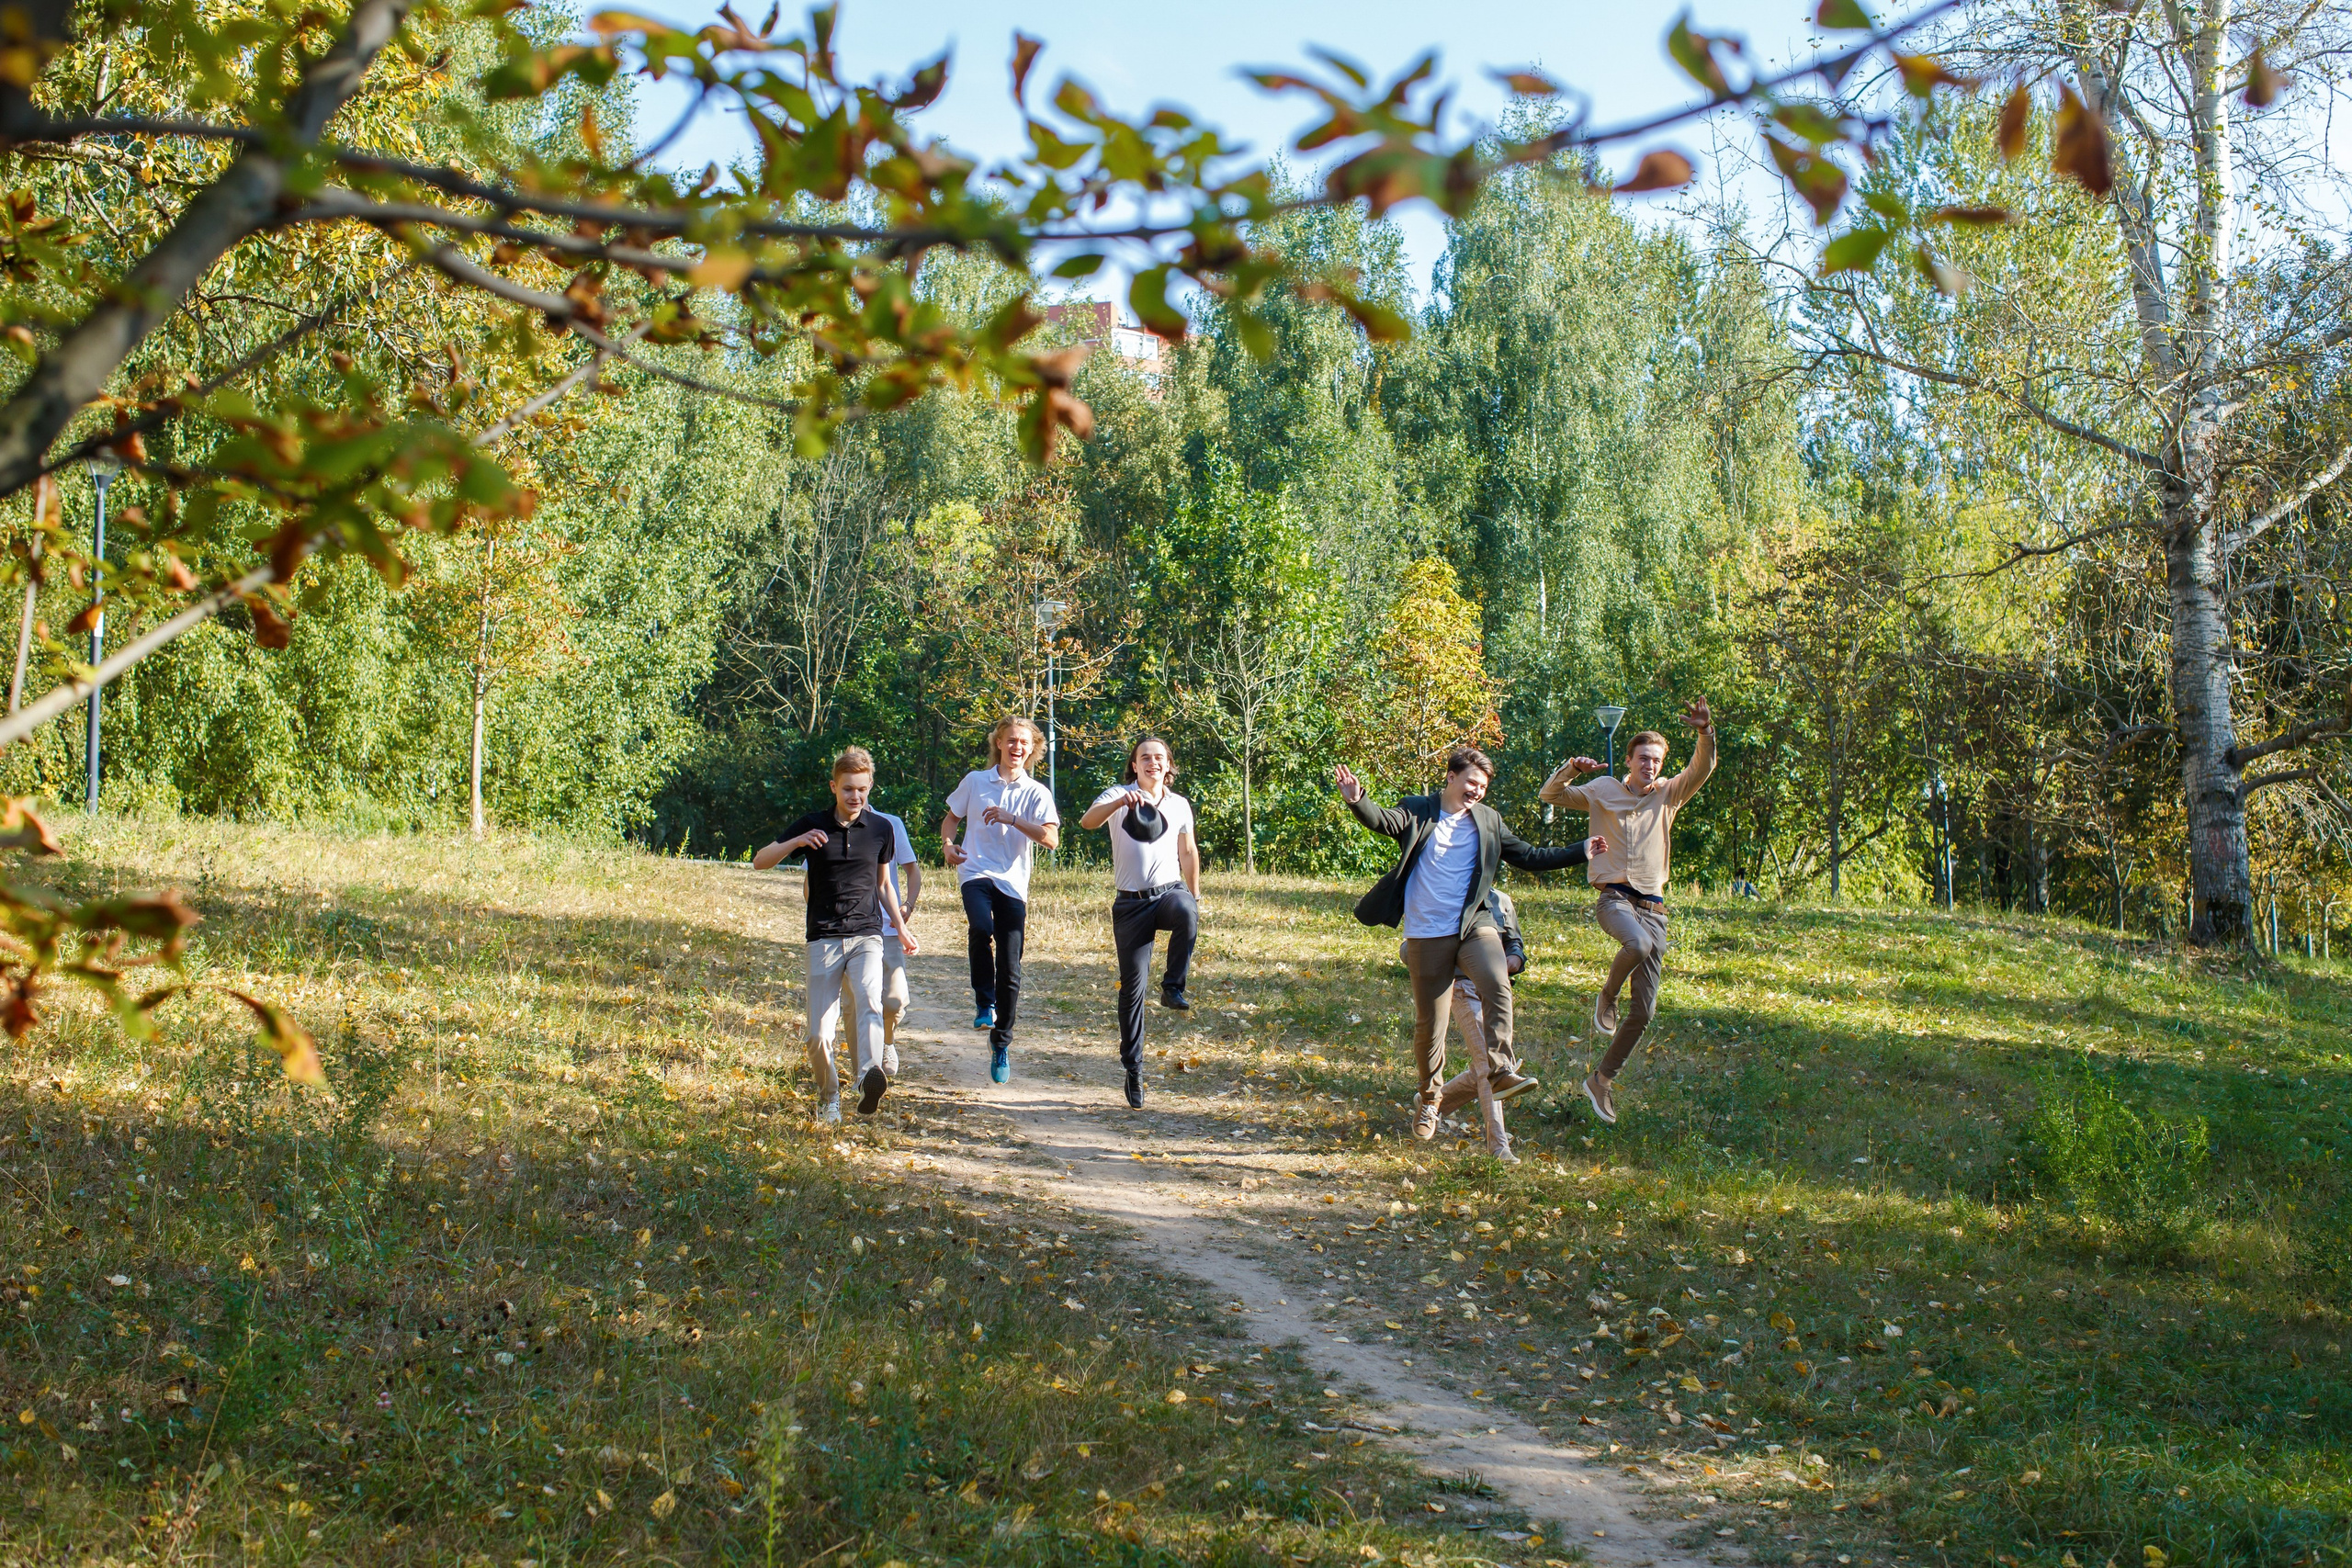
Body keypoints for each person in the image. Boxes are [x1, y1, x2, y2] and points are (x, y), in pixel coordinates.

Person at [1336, 747, 1593, 1142]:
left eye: (1484, 786)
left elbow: (1530, 856)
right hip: (1426, 932)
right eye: (1472, 782)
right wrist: (1358, 799)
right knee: (1430, 1028)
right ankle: (1429, 1098)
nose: (1477, 791)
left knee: (1496, 984)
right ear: (1451, 777)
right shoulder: (1419, 809)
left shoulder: (1488, 820)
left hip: (1474, 925)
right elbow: (1385, 822)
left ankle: (1500, 1069)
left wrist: (1582, 850)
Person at [1538, 695, 1717, 1127]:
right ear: (1631, 760)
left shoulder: (1670, 795)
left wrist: (1705, 732)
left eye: (1656, 760)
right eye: (1643, 758)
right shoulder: (1603, 792)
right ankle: (1607, 995)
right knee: (1633, 944)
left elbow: (1703, 767)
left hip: (1656, 909)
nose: (1650, 766)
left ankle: (1601, 1079)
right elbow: (1550, 794)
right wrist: (1571, 769)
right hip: (1615, 900)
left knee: (1645, 1012)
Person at [754, 747, 920, 1122]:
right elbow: (760, 860)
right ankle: (829, 1096)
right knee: (818, 1035)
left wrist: (902, 927)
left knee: (870, 1003)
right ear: (834, 787)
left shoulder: (882, 829)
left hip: (867, 935)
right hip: (823, 938)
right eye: (847, 789)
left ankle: (867, 1078)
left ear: (870, 786)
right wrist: (797, 842)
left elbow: (884, 886)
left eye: (861, 789)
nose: (855, 797)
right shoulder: (813, 824)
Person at [1078, 735, 1201, 1109]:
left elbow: (1188, 850)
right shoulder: (1118, 794)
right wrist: (1120, 801)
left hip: (1168, 892)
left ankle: (1172, 987)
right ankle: (1134, 1068)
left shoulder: (1179, 804)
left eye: (1159, 757)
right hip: (1130, 905)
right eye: (1144, 757)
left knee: (1187, 912)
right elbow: (1087, 822)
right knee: (1132, 990)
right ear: (1134, 765)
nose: (1152, 762)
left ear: (1168, 764)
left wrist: (1194, 896)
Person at [941, 716, 1061, 1084]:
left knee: (1011, 966)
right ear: (999, 742)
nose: (1016, 748)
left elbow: (1050, 839)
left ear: (1033, 749)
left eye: (1023, 742)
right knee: (980, 927)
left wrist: (1013, 819)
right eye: (1010, 740)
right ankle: (984, 1002)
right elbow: (950, 820)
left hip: (1013, 883)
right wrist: (948, 846)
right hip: (975, 872)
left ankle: (1002, 1041)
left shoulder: (1037, 792)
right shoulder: (976, 781)